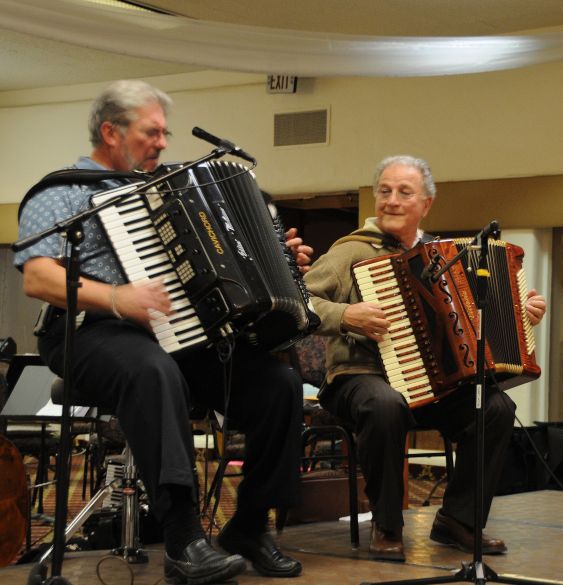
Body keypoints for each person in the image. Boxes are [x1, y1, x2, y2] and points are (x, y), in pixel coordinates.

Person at [15, 79, 313, 584]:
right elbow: (38, 278)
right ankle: (183, 541)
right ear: (111, 131)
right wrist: (115, 297)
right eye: (152, 132)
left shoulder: (176, 187)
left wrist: (282, 264)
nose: (162, 144)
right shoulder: (62, 191)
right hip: (90, 331)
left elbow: (224, 267)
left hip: (177, 333)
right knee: (153, 371)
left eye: (165, 133)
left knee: (277, 387)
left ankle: (246, 527)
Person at [304, 155, 547, 562]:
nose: (392, 201)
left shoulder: (442, 255)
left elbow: (473, 319)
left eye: (404, 192)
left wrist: (523, 311)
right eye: (384, 192)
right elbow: (300, 305)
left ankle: (458, 520)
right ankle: (387, 525)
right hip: (357, 376)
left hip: (431, 385)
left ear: (426, 204)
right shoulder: (349, 253)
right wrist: (346, 315)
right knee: (385, 404)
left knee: (496, 408)